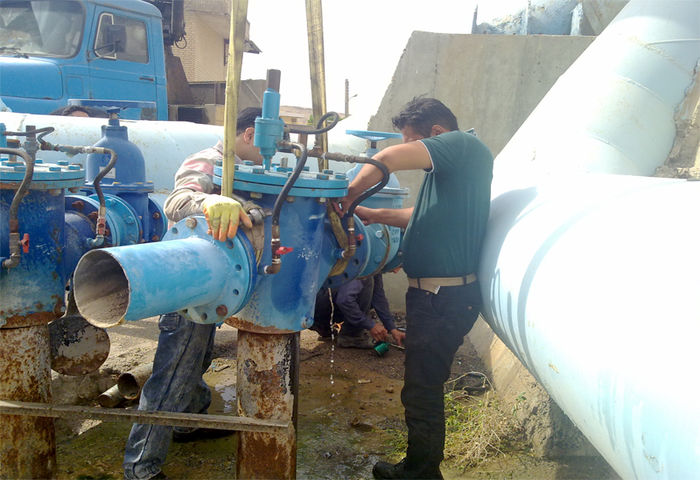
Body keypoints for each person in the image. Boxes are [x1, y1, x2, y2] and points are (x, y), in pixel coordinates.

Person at [336, 97, 494, 479]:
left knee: (422, 391)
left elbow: (387, 158)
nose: (407, 147)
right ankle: (420, 468)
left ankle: (421, 474)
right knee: (421, 387)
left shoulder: (462, 145)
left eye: (411, 140)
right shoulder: (452, 172)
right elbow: (419, 215)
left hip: (442, 298)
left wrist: (350, 194)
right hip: (436, 297)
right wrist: (372, 213)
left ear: (436, 133)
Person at [122, 107, 262, 480]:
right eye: (269, 142)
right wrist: (208, 201)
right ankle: (140, 467)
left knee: (197, 361)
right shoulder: (208, 161)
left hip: (215, 280)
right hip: (187, 282)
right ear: (249, 134)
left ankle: (187, 422)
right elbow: (177, 200)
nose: (272, 152)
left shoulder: (244, 171)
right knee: (174, 371)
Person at [313, 274, 406, 348]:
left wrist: (392, 329)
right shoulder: (363, 265)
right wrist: (370, 325)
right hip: (316, 309)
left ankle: (324, 327)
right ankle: (351, 336)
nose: (396, 272)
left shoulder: (375, 264)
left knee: (369, 290)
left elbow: (378, 297)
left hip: (312, 307)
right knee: (367, 280)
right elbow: (345, 300)